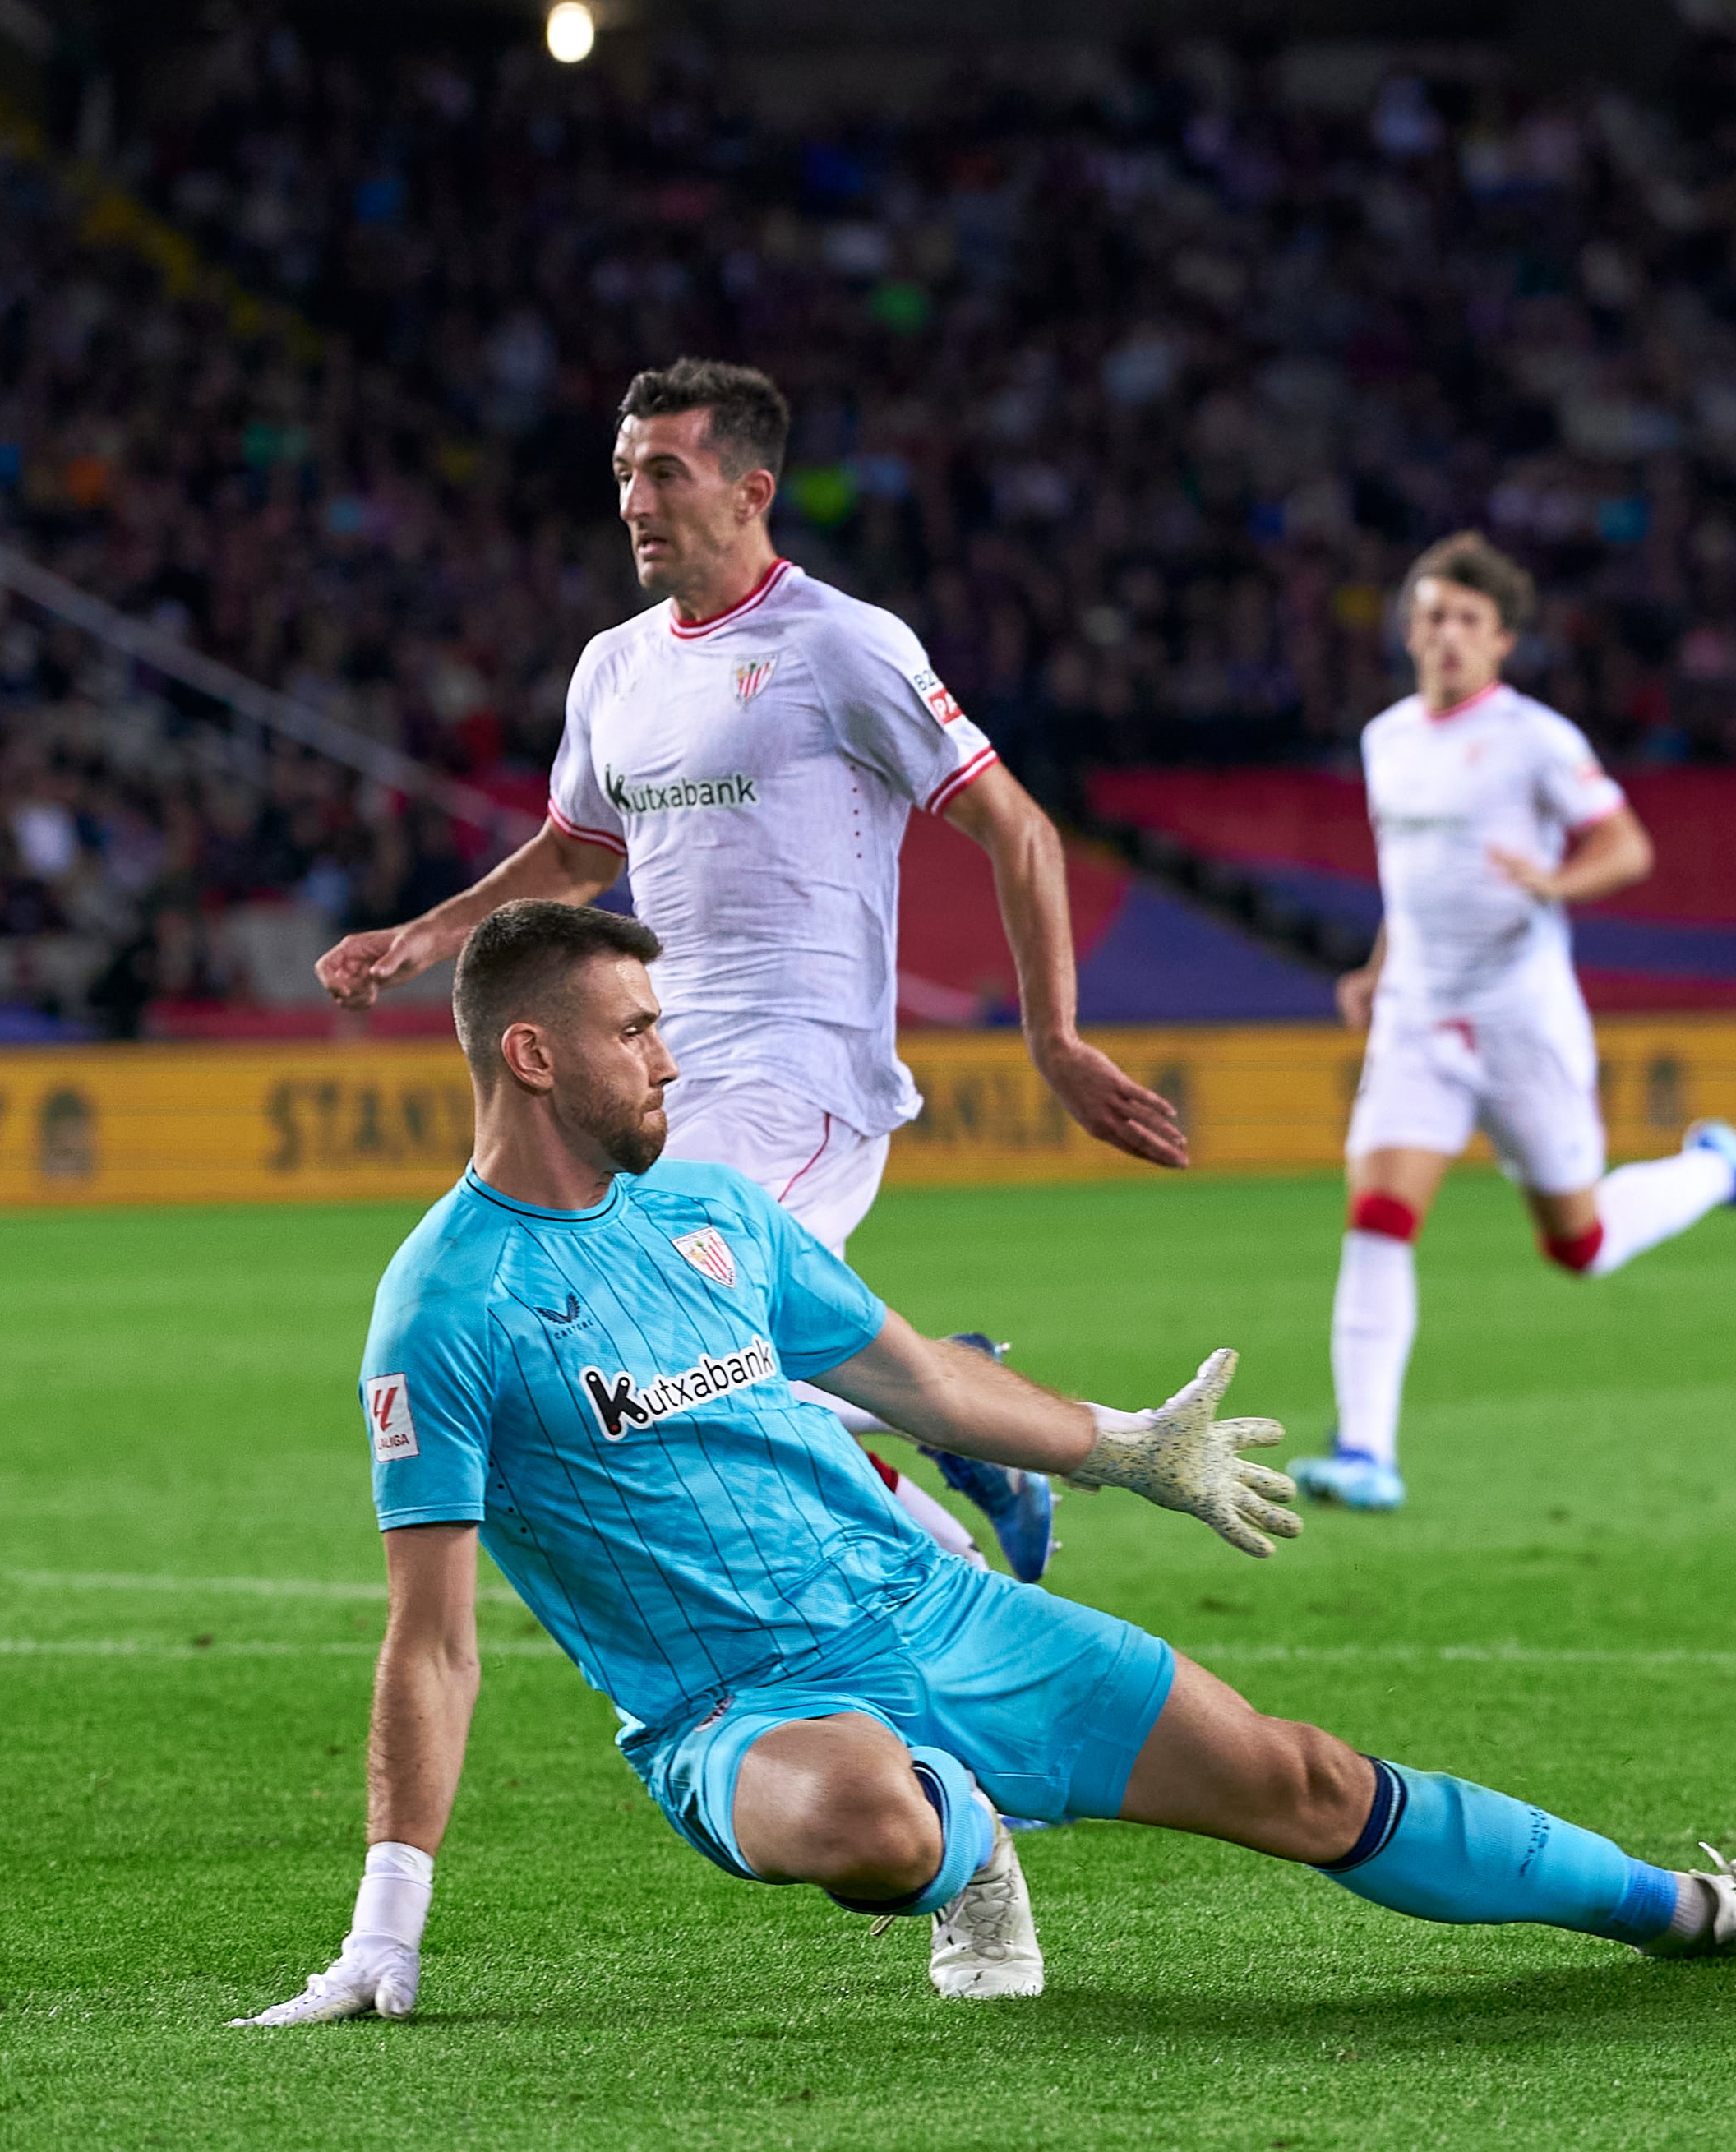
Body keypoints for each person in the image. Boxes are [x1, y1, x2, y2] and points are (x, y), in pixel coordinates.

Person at [232, 902, 1736, 2025]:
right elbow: (432, 1637)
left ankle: (1701, 1907)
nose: (666, 1055)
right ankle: (964, 1841)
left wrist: (1128, 1445)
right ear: (531, 1054)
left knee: (1305, 1779)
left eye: (663, 1023)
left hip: (933, 1610)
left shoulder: (710, 1214)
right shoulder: (440, 1309)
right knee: (870, 1817)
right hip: (732, 1712)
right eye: (632, 1031)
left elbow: (921, 1387)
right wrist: (388, 1921)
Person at [316, 358, 1181, 1584]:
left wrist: (1055, 1038)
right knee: (663, 1348)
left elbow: (1018, 827)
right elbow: (573, 854)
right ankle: (958, 1415)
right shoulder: (614, 666)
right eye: (623, 472)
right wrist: (429, 933)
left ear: (748, 489)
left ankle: (963, 1569)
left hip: (804, 1068)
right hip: (659, 1063)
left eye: (664, 471)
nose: (633, 500)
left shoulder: (842, 646)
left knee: (677, 1342)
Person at [1288, 534, 1736, 1514]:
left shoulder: (1537, 739)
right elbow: (1414, 884)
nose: (1445, 636)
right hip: (1417, 1019)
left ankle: (1716, 1170)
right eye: (1431, 616)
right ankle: (1364, 1449)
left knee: (1579, 1244)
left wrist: (1553, 880)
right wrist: (1374, 971)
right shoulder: (1386, 740)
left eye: (1466, 622)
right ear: (1409, 630)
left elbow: (1625, 847)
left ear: (1501, 643)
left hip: (1520, 1016)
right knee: (1379, 1214)